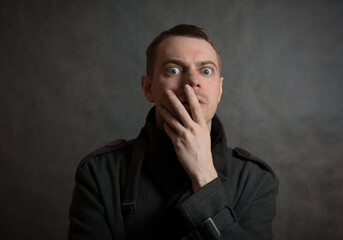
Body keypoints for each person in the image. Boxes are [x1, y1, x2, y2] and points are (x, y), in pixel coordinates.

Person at [68, 24, 279, 240]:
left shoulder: (255, 180)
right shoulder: (99, 173)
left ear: (220, 90)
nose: (192, 81)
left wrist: (205, 176)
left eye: (206, 71)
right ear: (148, 88)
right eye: (174, 70)